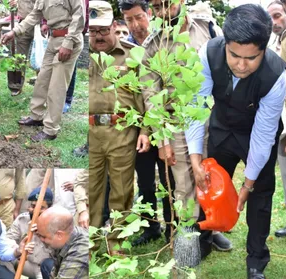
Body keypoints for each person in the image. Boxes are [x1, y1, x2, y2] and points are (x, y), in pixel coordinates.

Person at [185, 4, 286, 278]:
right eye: (234, 55)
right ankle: (202, 242)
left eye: (251, 58)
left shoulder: (276, 75)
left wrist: (248, 183)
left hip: (257, 132)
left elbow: (263, 135)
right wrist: (195, 160)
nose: (241, 65)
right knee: (207, 185)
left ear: (264, 49)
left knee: (260, 198)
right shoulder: (207, 53)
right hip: (222, 128)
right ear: (225, 44)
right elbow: (196, 108)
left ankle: (256, 261)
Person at [141, 0, 231, 251]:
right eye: (156, 7)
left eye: (165, 4)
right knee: (184, 183)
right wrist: (163, 140)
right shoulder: (153, 45)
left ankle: (213, 229)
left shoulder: (209, 29)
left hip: (211, 116)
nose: (161, 11)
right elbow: (151, 95)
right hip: (176, 121)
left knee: (213, 175)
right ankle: (194, 238)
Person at [88, 0, 150, 256]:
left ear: (115, 27)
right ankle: (89, 242)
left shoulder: (133, 55)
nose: (98, 36)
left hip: (122, 131)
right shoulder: (82, 56)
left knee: (122, 190)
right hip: (89, 134)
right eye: (93, 31)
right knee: (92, 189)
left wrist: (145, 130)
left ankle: (117, 243)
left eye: (103, 30)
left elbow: (147, 97)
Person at [119, 0, 177, 246]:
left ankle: (171, 227)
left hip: (166, 124)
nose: (135, 24)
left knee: (170, 181)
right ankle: (150, 227)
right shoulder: (124, 49)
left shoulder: (163, 41)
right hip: (138, 130)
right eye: (129, 19)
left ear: (149, 14)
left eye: (139, 17)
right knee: (144, 181)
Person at [1, 0, 85, 142]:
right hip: (53, 40)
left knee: (56, 87)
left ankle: (51, 129)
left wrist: (69, 42)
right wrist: (14, 32)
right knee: (42, 80)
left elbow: (79, 16)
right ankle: (36, 116)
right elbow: (34, 15)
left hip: (68, 41)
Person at [267, 0, 286, 238]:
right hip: (280, 121)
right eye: (270, 17)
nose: (275, 21)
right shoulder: (274, 42)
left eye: (278, 15)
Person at [3, 186, 54, 278]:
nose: (35, 211)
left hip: (43, 268)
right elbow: (7, 240)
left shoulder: (57, 223)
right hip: (25, 263)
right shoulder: (22, 219)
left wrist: (42, 234)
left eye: (41, 207)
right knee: (3, 256)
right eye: (33, 206)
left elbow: (59, 251)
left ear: (49, 209)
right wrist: (18, 251)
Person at [33, 205, 88, 279]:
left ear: (59, 235)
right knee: (46, 264)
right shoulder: (67, 235)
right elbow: (54, 273)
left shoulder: (80, 252)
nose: (41, 239)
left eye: (43, 237)